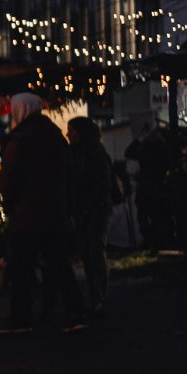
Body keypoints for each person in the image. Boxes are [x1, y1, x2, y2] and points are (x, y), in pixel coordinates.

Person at [0, 93, 89, 335]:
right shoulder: (55, 137)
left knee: (22, 270)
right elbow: (68, 177)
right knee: (59, 265)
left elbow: (9, 182)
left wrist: (9, 206)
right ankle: (75, 312)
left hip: (26, 215)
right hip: (54, 213)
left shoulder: (19, 141)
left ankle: (21, 318)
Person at [66, 116, 114, 316]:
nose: (68, 135)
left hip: (96, 209)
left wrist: (90, 206)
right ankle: (95, 295)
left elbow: (101, 183)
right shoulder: (74, 154)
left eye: (72, 131)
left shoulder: (94, 153)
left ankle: (99, 295)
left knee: (94, 251)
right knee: (86, 252)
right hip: (82, 209)